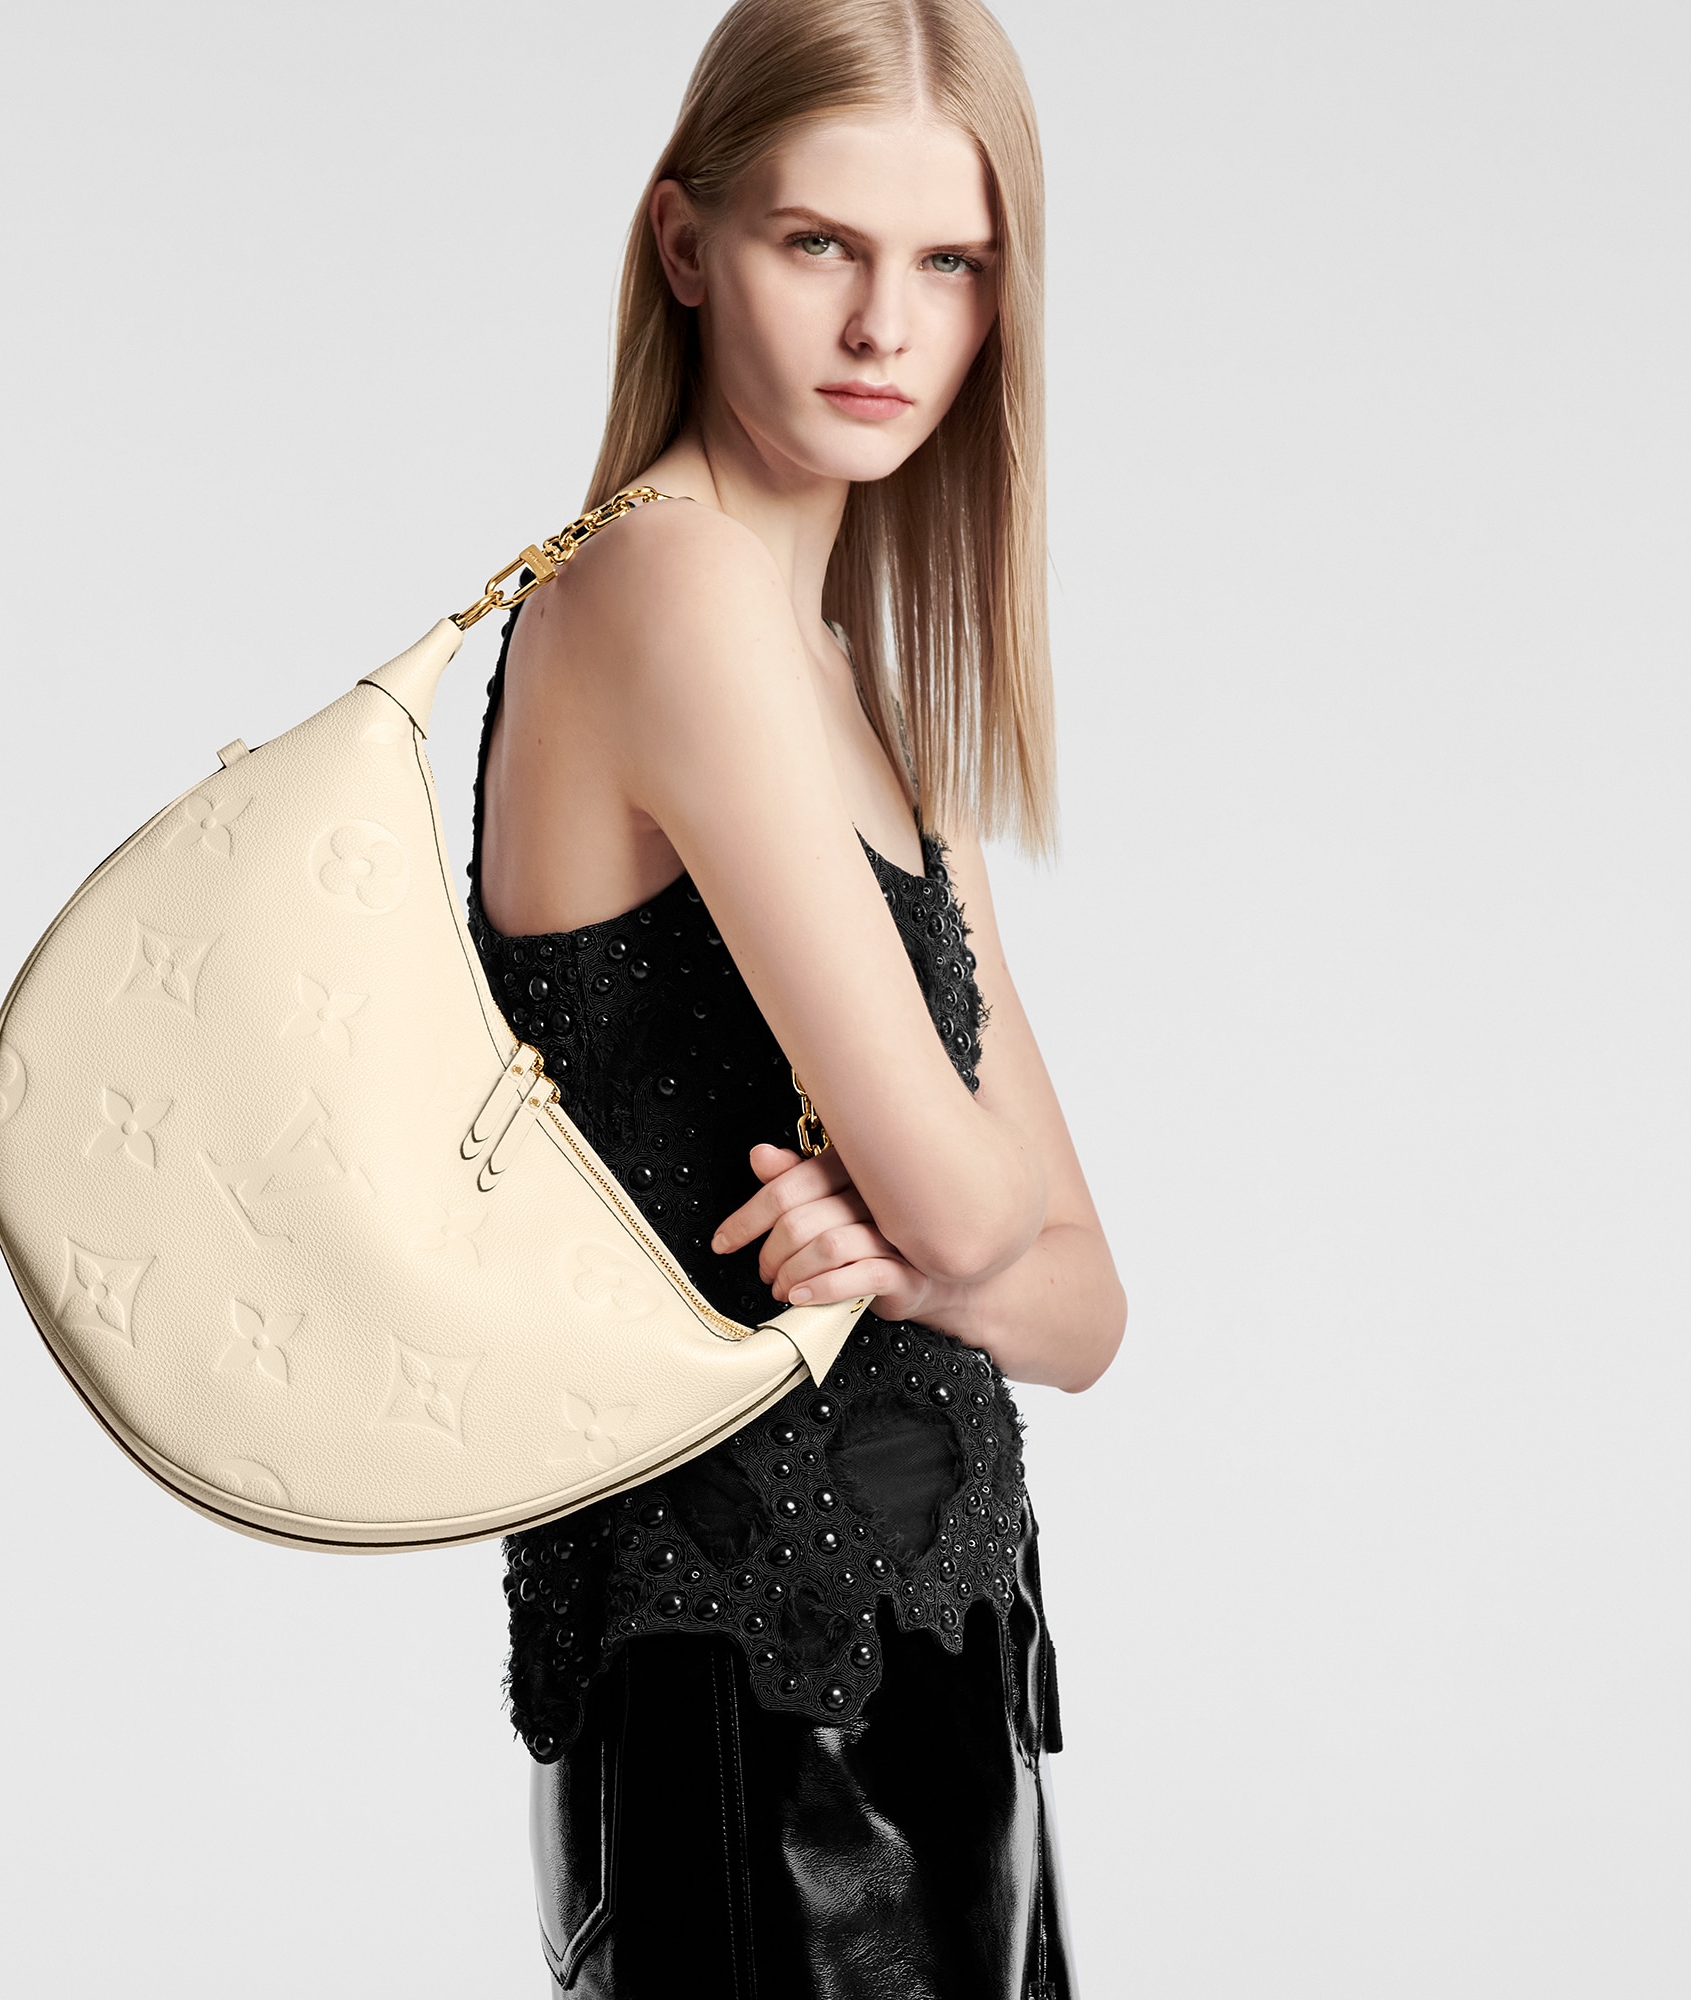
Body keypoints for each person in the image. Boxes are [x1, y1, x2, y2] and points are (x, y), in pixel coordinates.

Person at [465, 2, 1125, 1992]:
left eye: (953, 262)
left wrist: (922, 1253)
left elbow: (1086, 1304)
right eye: (818, 242)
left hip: (954, 1686)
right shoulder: (656, 588)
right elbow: (980, 1208)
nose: (884, 326)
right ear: (686, 244)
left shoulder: (855, 684)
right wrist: (947, 1233)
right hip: (746, 1709)